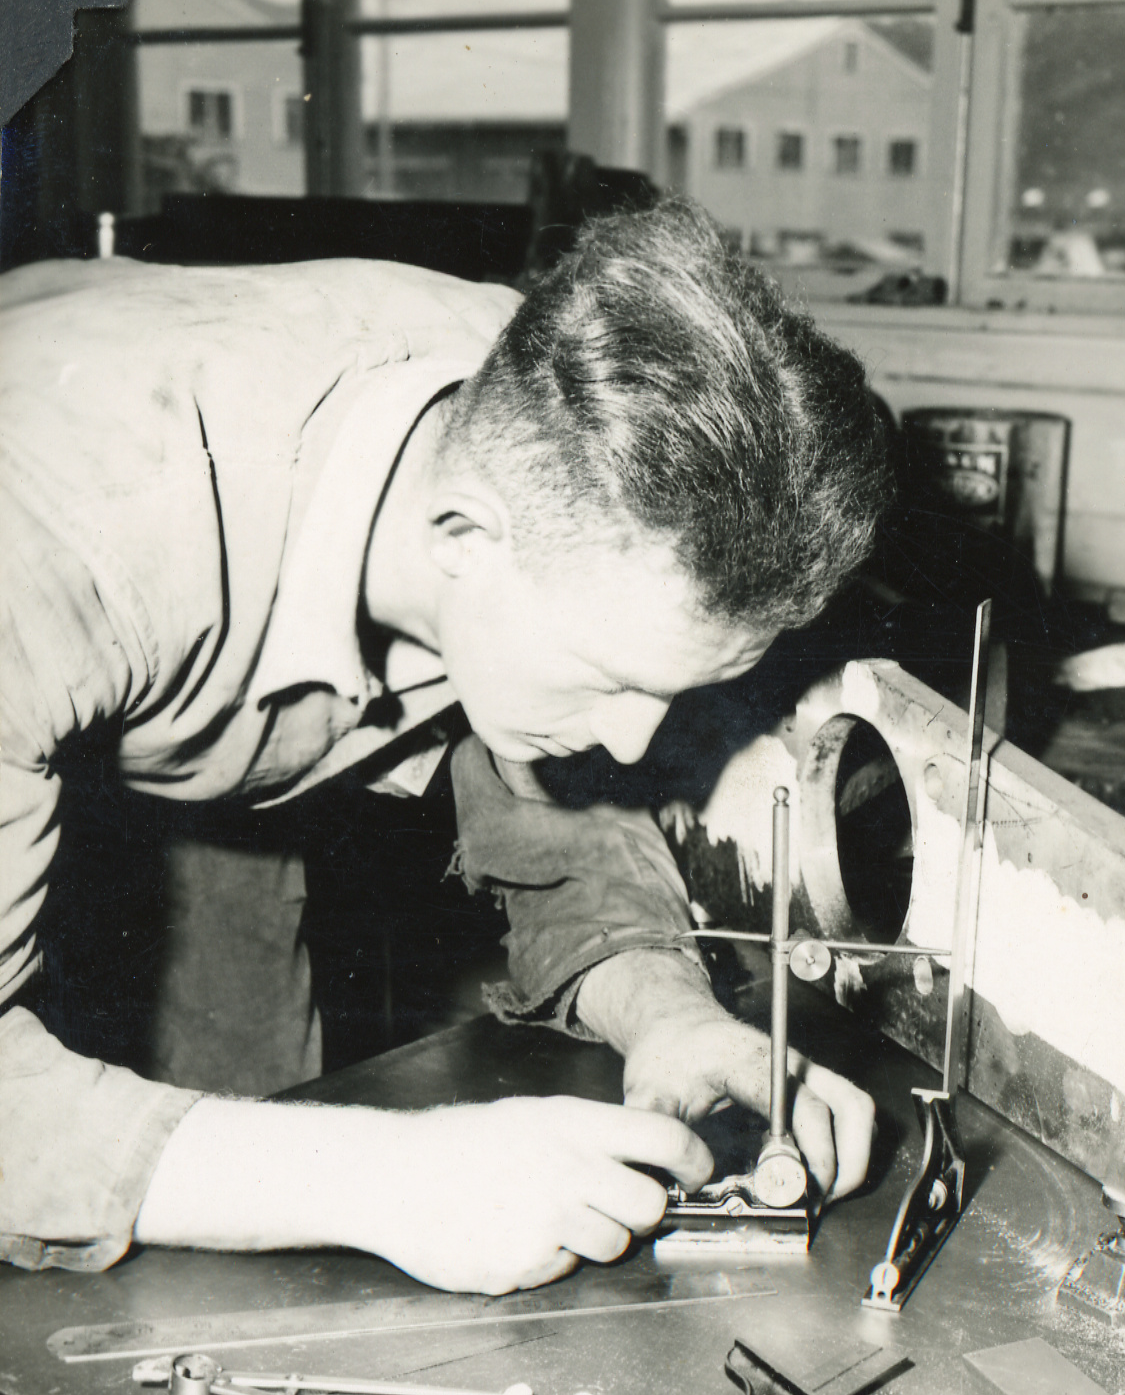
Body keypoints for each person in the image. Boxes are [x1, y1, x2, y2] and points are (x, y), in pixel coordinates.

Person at [0, 199, 891, 1295]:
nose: (637, 743)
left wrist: (667, 1011)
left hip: (203, 739)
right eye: (608, 682)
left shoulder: (562, 422)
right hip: (58, 630)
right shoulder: (52, 537)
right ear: (458, 536)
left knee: (238, 1247)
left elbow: (553, 797)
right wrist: (383, 1175)